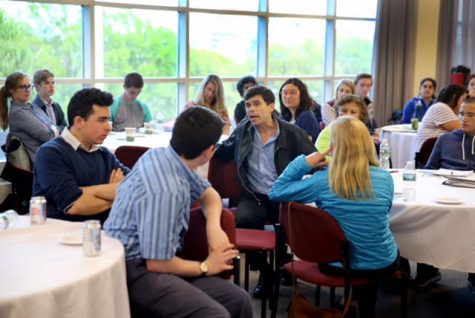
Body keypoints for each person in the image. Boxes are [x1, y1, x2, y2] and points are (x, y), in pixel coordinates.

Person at [104, 106, 252, 318]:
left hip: (155, 260)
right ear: (209, 151)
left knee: (239, 300)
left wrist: (213, 226)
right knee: (214, 314)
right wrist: (205, 267)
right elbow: (157, 263)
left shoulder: (164, 156)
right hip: (133, 269)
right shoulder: (167, 190)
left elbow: (209, 194)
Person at [269, 116, 398, 318]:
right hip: (381, 265)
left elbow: (276, 192)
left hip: (336, 264)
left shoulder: (324, 180)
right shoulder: (386, 178)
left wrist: (303, 163)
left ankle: (348, 304)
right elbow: (382, 215)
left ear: (333, 145)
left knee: (353, 249)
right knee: (374, 249)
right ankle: (364, 311)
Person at [214, 85, 316, 298]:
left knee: (285, 232)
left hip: (284, 196)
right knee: (243, 221)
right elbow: (224, 151)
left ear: (271, 106)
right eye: (248, 105)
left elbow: (315, 162)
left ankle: (281, 267)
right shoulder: (243, 129)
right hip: (254, 196)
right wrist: (204, 143)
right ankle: (267, 273)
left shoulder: (292, 133)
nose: (251, 109)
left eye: (257, 104)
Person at [33, 88, 129, 223]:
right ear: (78, 121)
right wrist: (115, 194)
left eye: (108, 120)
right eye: (101, 120)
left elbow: (135, 188)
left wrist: (86, 191)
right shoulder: (50, 153)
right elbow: (75, 205)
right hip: (61, 237)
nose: (109, 127)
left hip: (104, 234)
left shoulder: (105, 155)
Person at [425, 96, 475, 294]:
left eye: (470, 115)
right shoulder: (445, 139)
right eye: (461, 114)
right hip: (443, 195)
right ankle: (426, 269)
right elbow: (428, 170)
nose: (464, 119)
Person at [0, 71, 58, 164]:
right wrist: (52, 129)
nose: (27, 90)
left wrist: (52, 128)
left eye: (29, 86)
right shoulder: (18, 113)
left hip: (50, 158)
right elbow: (48, 136)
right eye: (23, 87)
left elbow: (53, 125)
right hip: (41, 164)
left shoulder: (32, 106)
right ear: (11, 90)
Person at [316, 94, 370, 161]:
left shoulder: (363, 132)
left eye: (353, 112)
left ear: (361, 116)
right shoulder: (329, 131)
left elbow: (368, 157)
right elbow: (322, 156)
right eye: (344, 111)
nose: (347, 115)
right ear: (337, 113)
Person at [415, 84, 467, 152]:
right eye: (463, 100)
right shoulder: (440, 107)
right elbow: (464, 130)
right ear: (454, 97)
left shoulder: (452, 112)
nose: (464, 104)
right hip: (430, 157)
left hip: (439, 154)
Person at [279, 78, 320, 142]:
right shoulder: (285, 117)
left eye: (292, 93)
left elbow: (306, 146)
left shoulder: (306, 116)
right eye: (285, 93)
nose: (288, 96)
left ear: (302, 95)